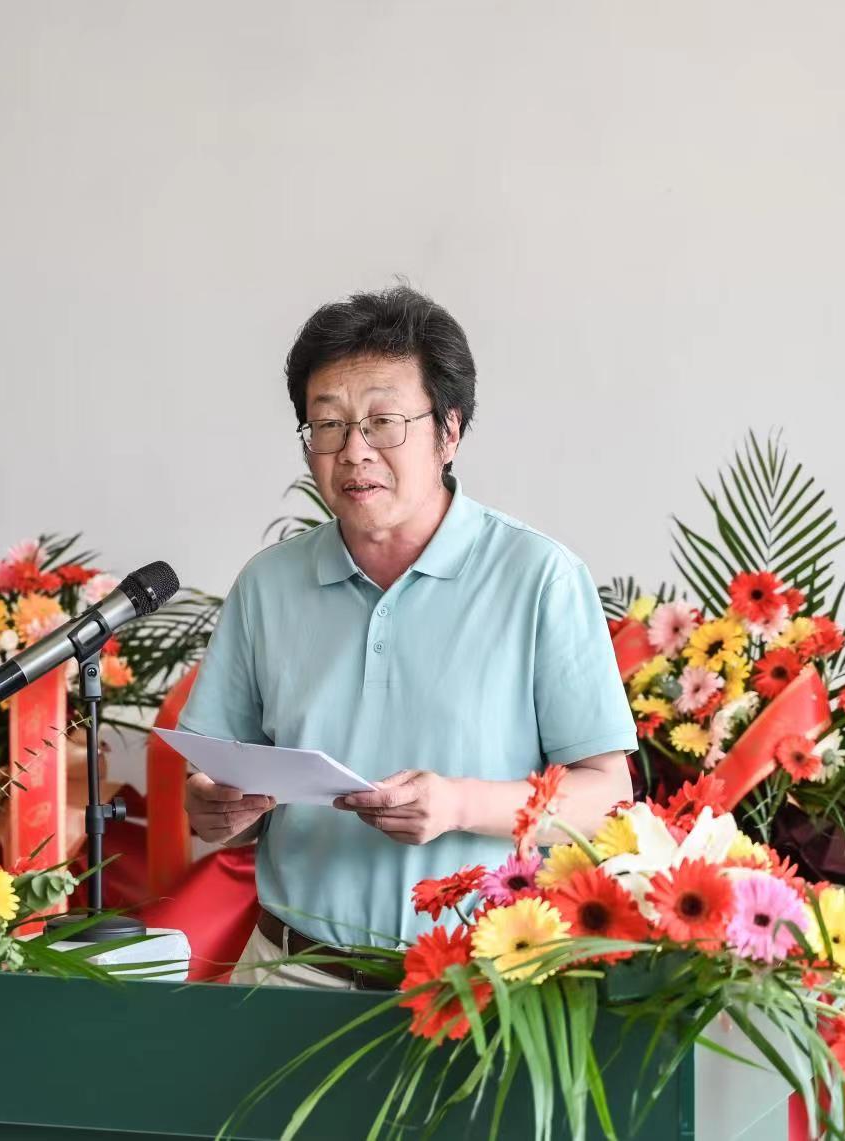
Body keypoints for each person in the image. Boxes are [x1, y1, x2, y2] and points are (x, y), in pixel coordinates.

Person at [180, 286, 636, 989]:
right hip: (288, 970)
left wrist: (459, 805)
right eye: (327, 425)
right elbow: (210, 785)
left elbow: (606, 795)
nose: (353, 451)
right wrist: (213, 807)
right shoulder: (267, 584)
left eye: (383, 422)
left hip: (478, 984)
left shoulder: (538, 577)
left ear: (449, 432)